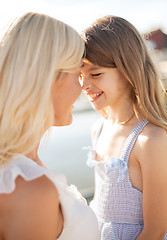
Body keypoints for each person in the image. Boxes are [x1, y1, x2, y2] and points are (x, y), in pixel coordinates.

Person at [0, 12, 100, 240]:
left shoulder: (24, 169)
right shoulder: (29, 191)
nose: (83, 87)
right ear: (48, 79)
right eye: (78, 74)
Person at [80, 15, 167, 239]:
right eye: (80, 75)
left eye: (95, 74)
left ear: (128, 69)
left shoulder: (150, 140)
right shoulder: (99, 129)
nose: (85, 85)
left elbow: (155, 231)